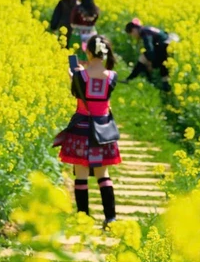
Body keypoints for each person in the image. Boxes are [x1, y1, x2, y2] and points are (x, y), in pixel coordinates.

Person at [55, 35, 121, 224]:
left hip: (81, 130)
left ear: (89, 52)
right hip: (103, 131)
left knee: (81, 175)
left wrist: (74, 77)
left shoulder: (80, 76)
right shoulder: (112, 77)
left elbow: (77, 93)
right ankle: (110, 218)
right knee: (103, 175)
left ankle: (83, 218)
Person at [125, 19, 171, 91]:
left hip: (164, 47)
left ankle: (133, 79)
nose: (133, 36)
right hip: (167, 46)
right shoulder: (146, 29)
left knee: (143, 59)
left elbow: (150, 48)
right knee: (162, 68)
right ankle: (165, 89)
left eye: (132, 34)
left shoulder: (144, 32)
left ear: (134, 30)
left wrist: (150, 62)